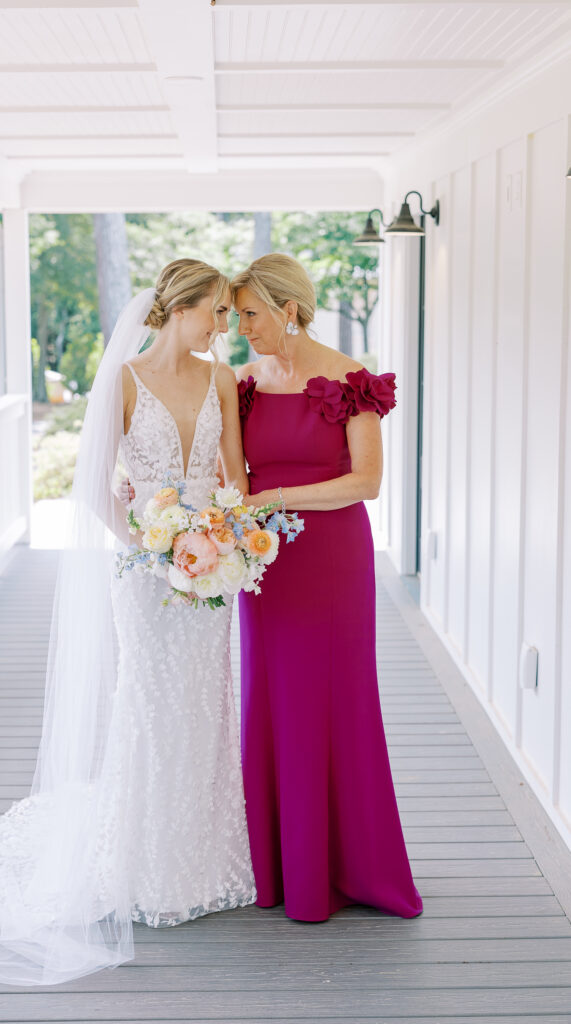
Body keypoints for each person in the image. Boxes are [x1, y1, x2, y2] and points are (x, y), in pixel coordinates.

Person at [0, 259, 255, 986]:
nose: (223, 326)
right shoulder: (120, 382)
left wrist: (220, 544)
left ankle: (204, 856)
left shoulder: (219, 381)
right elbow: (92, 487)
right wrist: (155, 551)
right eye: (215, 311)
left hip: (212, 570)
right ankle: (145, 865)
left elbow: (235, 476)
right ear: (177, 309)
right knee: (151, 710)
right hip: (146, 575)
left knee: (206, 707)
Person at [232, 252, 423, 923]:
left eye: (251, 314)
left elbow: (364, 482)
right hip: (261, 564)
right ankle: (278, 870)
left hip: (332, 563)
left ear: (287, 308)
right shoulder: (243, 382)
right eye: (235, 316)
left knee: (333, 702)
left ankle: (346, 869)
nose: (242, 328)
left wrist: (274, 495)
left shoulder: (350, 380)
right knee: (269, 700)